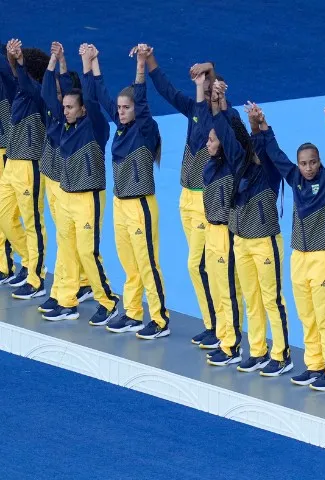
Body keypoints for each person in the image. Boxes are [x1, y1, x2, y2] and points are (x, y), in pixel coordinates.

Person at [145, 47, 239, 350]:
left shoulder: (226, 119)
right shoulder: (195, 112)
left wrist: (208, 69)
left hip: (206, 202)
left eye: (213, 90)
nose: (208, 94)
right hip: (186, 198)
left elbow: (213, 96)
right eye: (206, 90)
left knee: (197, 265)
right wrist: (151, 63)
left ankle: (219, 326)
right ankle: (213, 324)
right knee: (201, 265)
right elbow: (167, 90)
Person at [260, 104, 325, 392]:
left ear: (319, 161)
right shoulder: (295, 178)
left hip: (323, 256)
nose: (308, 168)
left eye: (312, 162)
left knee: (324, 315)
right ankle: (314, 364)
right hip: (299, 255)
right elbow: (276, 154)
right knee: (306, 314)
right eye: (304, 163)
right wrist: (263, 125)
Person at [89, 44, 169, 339]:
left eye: (126, 108)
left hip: (140, 206)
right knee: (129, 263)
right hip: (120, 204)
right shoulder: (122, 126)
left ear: (137, 110)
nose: (120, 112)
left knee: (147, 262)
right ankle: (134, 312)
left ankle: (160, 319)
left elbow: (142, 97)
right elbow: (102, 95)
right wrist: (94, 62)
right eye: (120, 108)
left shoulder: (144, 129)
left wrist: (140, 63)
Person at [41, 43, 119, 324]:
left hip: (88, 198)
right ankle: (67, 301)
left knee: (88, 251)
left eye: (71, 107)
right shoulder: (60, 127)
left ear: (83, 110)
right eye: (64, 107)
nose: (65, 111)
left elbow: (94, 98)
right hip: (66, 196)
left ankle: (108, 301)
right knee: (68, 248)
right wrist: (55, 62)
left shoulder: (95, 128)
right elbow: (47, 95)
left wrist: (87, 64)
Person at [226, 101, 291, 375]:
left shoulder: (269, 170)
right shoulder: (241, 169)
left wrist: (261, 125)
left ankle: (281, 354)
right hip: (241, 239)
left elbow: (269, 149)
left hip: (264, 240)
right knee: (251, 297)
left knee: (271, 298)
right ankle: (257, 350)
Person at [37, 41, 93, 316]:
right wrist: (55, 59)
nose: (60, 101)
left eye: (66, 98)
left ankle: (71, 291)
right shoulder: (57, 114)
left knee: (73, 244)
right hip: (54, 182)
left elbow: (72, 87)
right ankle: (67, 288)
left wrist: (65, 63)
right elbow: (48, 88)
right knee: (67, 242)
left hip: (69, 187)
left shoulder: (78, 121)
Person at [192, 77, 244, 366]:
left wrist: (221, 102)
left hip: (225, 233)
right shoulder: (210, 164)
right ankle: (223, 336)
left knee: (228, 290)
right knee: (216, 287)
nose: (207, 143)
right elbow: (207, 126)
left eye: (212, 140)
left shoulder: (232, 163)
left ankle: (232, 345)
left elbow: (232, 128)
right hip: (211, 230)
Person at [0, 39, 49, 297]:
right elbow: (11, 76)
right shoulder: (20, 91)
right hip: (12, 163)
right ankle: (29, 260)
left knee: (32, 222)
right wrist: (12, 58)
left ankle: (36, 276)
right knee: (4, 217)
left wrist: (16, 61)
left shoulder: (38, 93)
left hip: (30, 164)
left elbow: (22, 79)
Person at [0, 42, 24, 285]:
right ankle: (3, 264)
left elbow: (10, 73)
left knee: (7, 214)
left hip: (7, 150)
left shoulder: (6, 79)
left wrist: (9, 57)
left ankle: (27, 263)